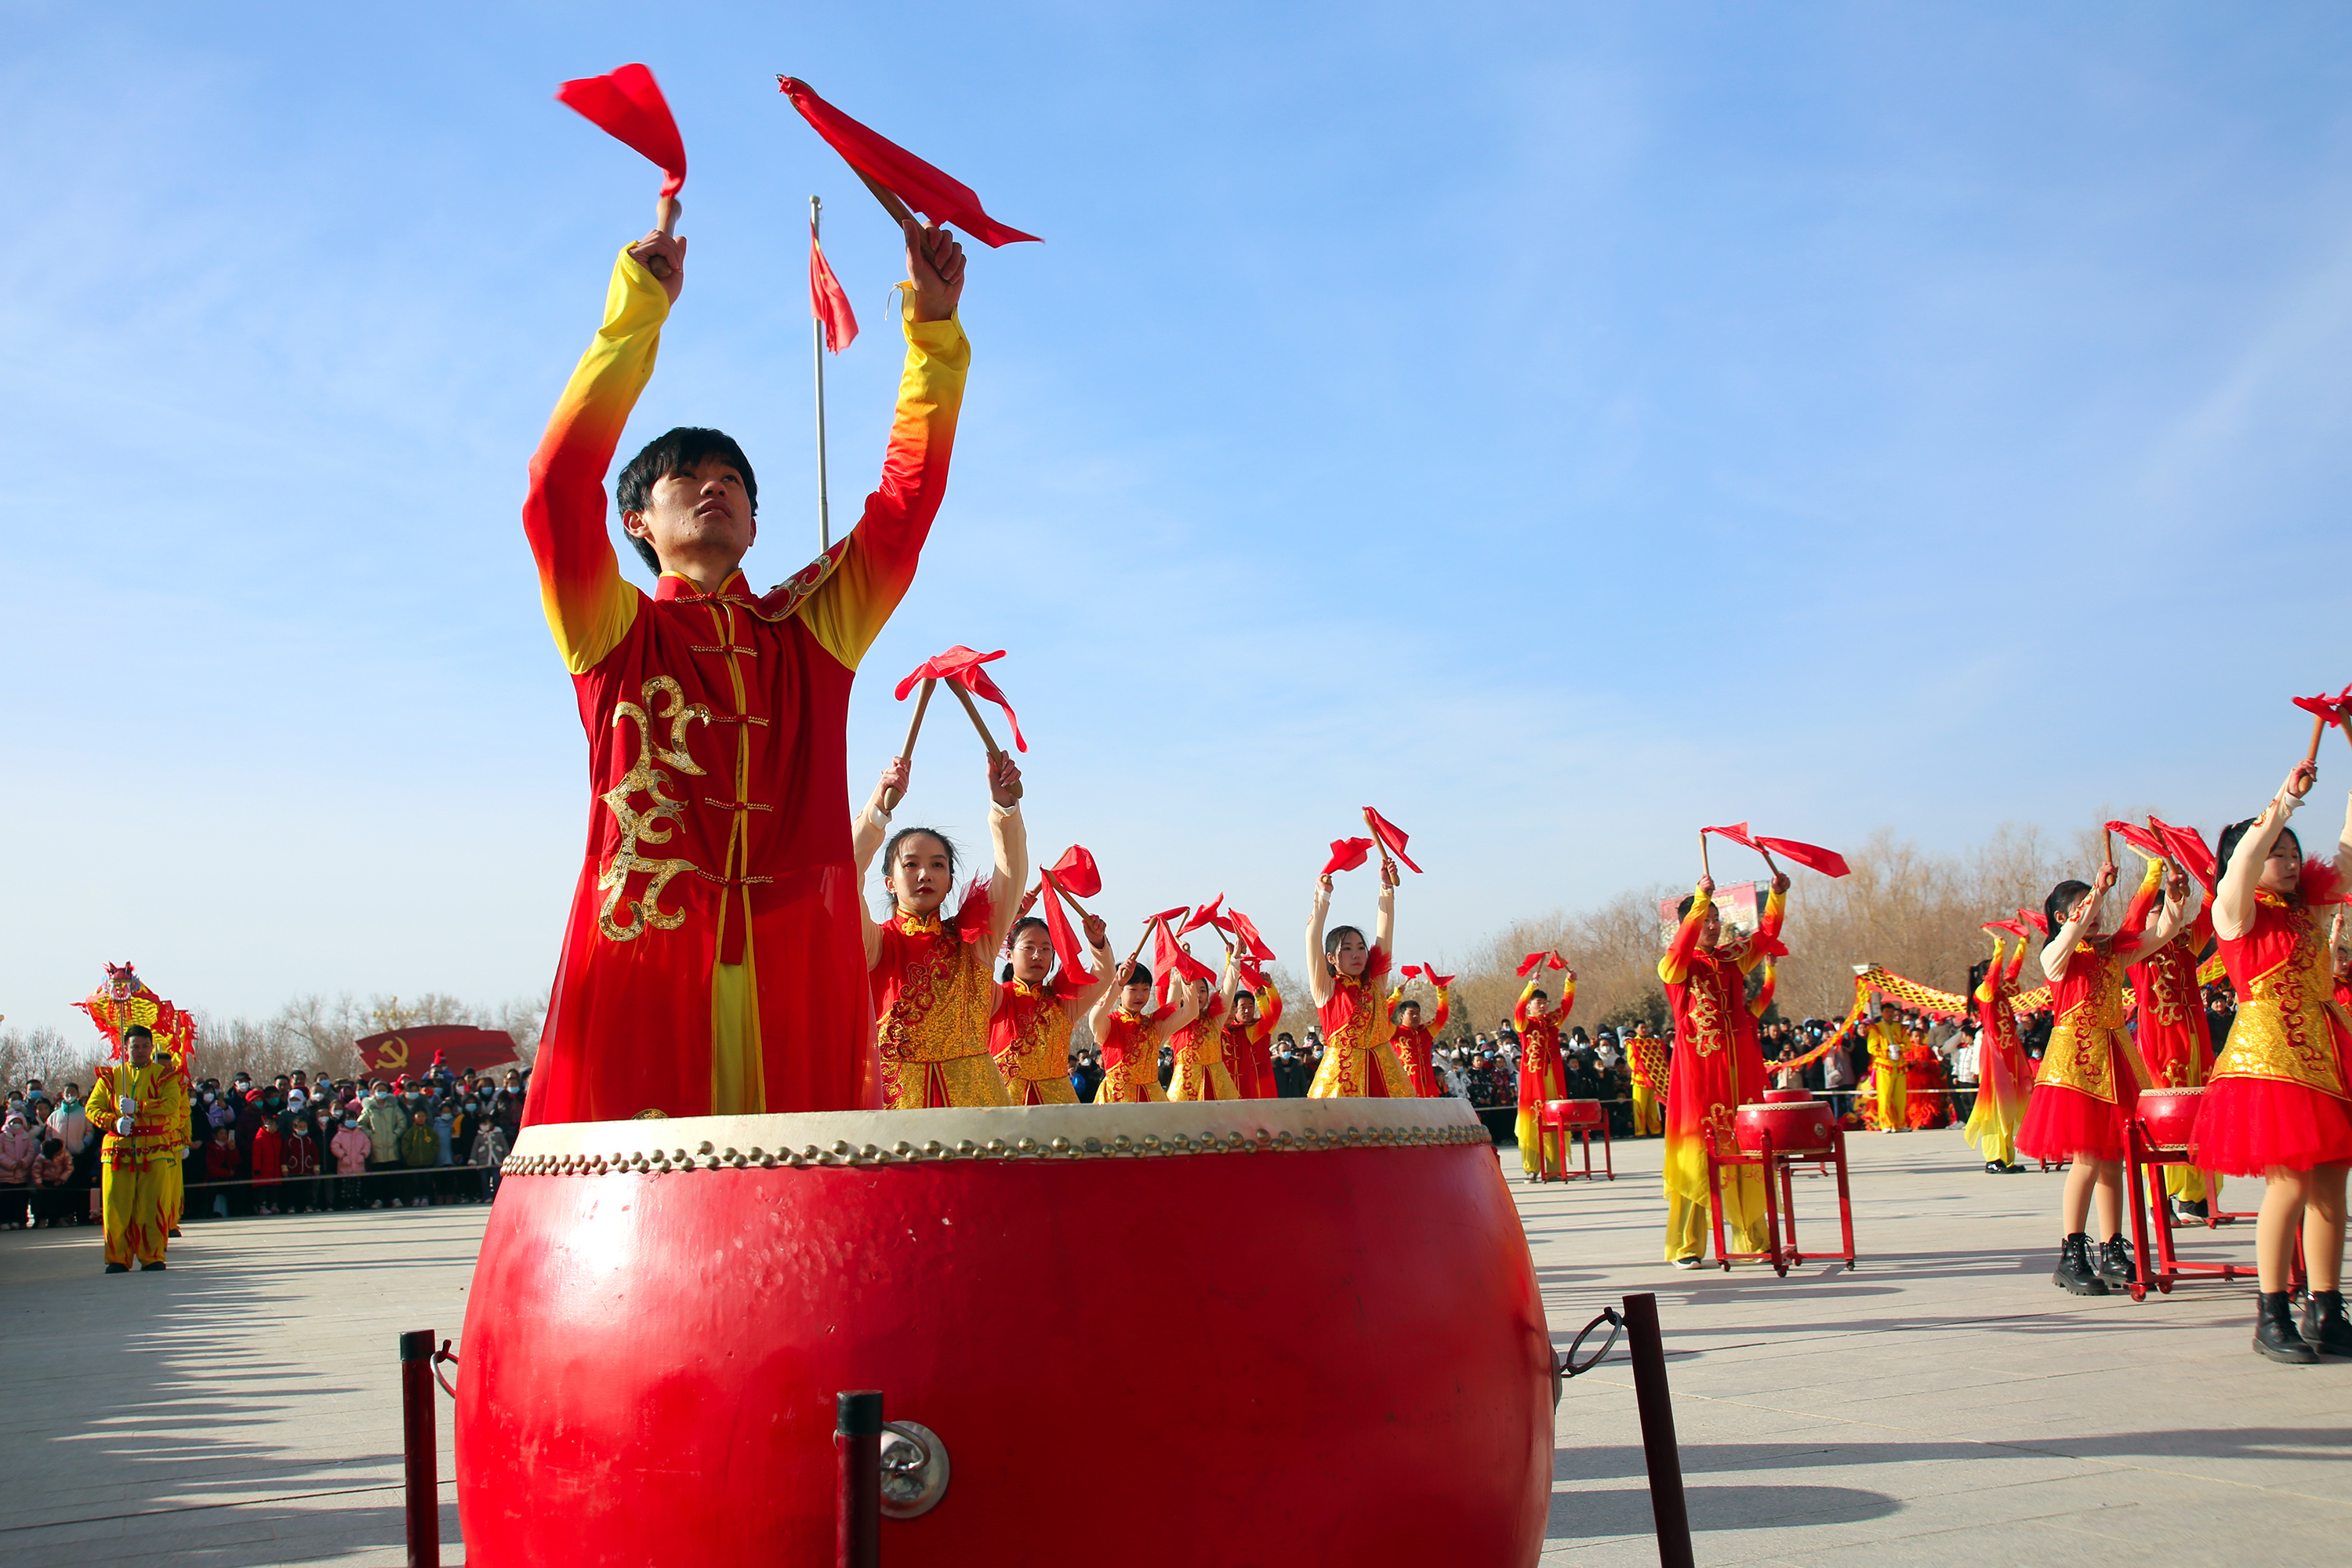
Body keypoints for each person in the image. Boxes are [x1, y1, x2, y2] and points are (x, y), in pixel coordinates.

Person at [522, 200, 974, 1127]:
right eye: (686, 476)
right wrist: (635, 309)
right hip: (643, 958)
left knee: (799, 1213)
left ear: (758, 524)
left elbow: (903, 508)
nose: (714, 485)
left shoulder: (809, 631)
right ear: (637, 523)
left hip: (794, 970)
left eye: (732, 479)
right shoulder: (610, 633)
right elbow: (557, 487)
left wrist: (931, 334)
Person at [2189, 760, 2352, 1361]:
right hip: (2272, 1064)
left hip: (2328, 1054)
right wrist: (2283, 802)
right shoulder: (2235, 913)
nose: (2287, 860)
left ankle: (2328, 1310)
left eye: (2293, 852)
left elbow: (2348, 856)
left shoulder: (2306, 914)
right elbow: (2242, 864)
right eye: (2275, 852)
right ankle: (2272, 1311)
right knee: (2289, 1185)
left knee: (2333, 1190)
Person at [2019, 854, 2199, 1295]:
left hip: (2116, 1061)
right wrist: (2098, 891)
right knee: (2086, 1159)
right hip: (2077, 1066)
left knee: (2116, 1160)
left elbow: (2163, 932)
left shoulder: (2113, 953)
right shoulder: (2056, 956)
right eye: (2086, 909)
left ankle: (2113, 1245)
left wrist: (2174, 899)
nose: (2097, 917)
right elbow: (2064, 945)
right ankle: (2072, 1250)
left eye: (2098, 908)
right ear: (2063, 916)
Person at [855, 753, 1027, 1107]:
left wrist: (1004, 807)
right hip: (893, 1103)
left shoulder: (976, 941)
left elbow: (1011, 874)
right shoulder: (877, 943)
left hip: (977, 1103)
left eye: (937, 865)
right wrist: (877, 810)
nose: (925, 874)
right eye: (911, 864)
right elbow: (846, 876)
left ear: (949, 882)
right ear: (890, 882)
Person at [1657, 869, 1787, 1268]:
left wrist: (1778, 897)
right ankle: (1688, 1246)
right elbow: (1679, 952)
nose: (1713, 927)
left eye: (1716, 920)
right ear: (1687, 925)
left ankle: (1752, 1238)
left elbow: (1764, 938)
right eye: (1705, 920)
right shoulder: (1675, 967)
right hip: (1697, 1074)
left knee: (1747, 1147)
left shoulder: (1732, 959)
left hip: (1738, 1071)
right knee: (1697, 1153)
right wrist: (1699, 898)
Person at [2119, 851, 2223, 1220]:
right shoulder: (2138, 952)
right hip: (2158, 1041)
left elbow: (2210, 916)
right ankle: (2157, 1199)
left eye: (2167, 908)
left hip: (2195, 1037)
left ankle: (2194, 1198)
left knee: (2199, 1113)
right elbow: (2133, 919)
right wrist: (2152, 875)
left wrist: (2213, 877)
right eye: (2155, 911)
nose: (2163, 916)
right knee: (2164, 1117)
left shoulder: (2186, 945)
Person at [83, 1028, 186, 1271]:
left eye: (144, 1046)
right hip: (118, 1150)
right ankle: (117, 1258)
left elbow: (172, 1105)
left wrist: (138, 1107)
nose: (139, 1051)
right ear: (125, 1049)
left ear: (152, 1047)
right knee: (116, 1206)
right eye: (134, 1046)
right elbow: (92, 1108)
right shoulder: (111, 1077)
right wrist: (114, 1121)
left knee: (152, 1205)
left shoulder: (166, 1077)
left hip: (154, 1149)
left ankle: (153, 1256)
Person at [989, 906, 1115, 1105]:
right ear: (1009, 955)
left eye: (1046, 949)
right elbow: (976, 963)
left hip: (1058, 1108)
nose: (1037, 955)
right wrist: (1011, 917)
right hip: (1004, 1105)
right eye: (1029, 947)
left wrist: (1097, 942)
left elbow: (1103, 976)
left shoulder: (1062, 1003)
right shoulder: (995, 997)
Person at [1305, 866, 1409, 1097]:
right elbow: (1312, 937)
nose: (1357, 954)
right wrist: (1323, 896)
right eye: (1348, 949)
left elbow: (1385, 932)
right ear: (1330, 958)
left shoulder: (1376, 982)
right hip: (1340, 1083)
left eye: (1361, 948)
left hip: (1385, 1074)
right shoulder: (1327, 988)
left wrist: (1386, 887)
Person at [1965, 933, 2032, 1174]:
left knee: (2009, 1107)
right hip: (1995, 1055)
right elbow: (1995, 977)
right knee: (1996, 1108)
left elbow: (2012, 973)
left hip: (2010, 1055)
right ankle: (1994, 1157)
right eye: (1997, 974)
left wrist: (2022, 945)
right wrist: (1998, 951)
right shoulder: (1984, 993)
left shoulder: (2001, 993)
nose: (2003, 978)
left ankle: (2007, 1158)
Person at [1091, 963, 1198, 1104]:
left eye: (1145, 989)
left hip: (1152, 1100)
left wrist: (1185, 975)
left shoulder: (1153, 1024)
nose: (1140, 995)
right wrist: (1117, 984)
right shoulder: (1110, 1025)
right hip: (1116, 1101)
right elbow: (1095, 1018)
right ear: (1120, 992)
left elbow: (1190, 1012)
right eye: (1133, 989)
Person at [1512, 958, 1574, 1178]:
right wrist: (1531, 986)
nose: (1543, 1006)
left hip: (1553, 1075)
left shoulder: (1552, 1022)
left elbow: (1566, 1005)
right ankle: (1532, 1168)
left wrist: (1570, 983)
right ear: (1530, 1006)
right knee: (1532, 1118)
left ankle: (1555, 1167)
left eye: (1545, 1003)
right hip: (1533, 1077)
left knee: (1555, 1116)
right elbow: (1518, 1008)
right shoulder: (1524, 1024)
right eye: (1538, 1003)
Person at [1169, 950, 1247, 1102]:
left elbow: (1228, 992)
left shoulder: (1214, 1020)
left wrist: (1235, 959)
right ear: (1182, 995)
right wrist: (1181, 966)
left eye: (1203, 991)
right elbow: (1172, 1000)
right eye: (1193, 990)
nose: (1198, 995)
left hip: (1217, 1088)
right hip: (1186, 1090)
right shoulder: (1175, 1021)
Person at [1385, 978, 1452, 1098]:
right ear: (1401, 1016)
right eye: (1411, 1013)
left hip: (1429, 1083)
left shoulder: (1426, 1032)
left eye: (1418, 1013)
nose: (1416, 1016)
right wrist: (1396, 996)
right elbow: (1382, 1015)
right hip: (1405, 1083)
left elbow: (1442, 1016)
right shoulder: (1395, 1032)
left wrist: (1442, 993)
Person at [1222, 974, 1283, 1099]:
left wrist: (1269, 989)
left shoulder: (1262, 1027)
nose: (1247, 1011)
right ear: (1234, 1010)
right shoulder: (1228, 1030)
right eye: (1243, 1008)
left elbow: (1275, 1009)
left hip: (1263, 1080)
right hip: (1235, 1081)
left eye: (1251, 1007)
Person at [1862, 1004, 1908, 1131]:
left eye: (1892, 1012)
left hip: (1900, 1066)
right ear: (1882, 1012)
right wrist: (1886, 1053)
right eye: (1888, 1012)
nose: (1890, 1014)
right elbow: (1871, 1048)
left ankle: (1900, 1124)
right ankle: (1886, 1124)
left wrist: (1900, 1048)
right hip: (1884, 1066)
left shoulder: (1901, 1027)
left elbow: (1908, 1044)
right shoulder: (1876, 1028)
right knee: (1885, 1096)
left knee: (1900, 1097)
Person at [330, 1112, 371, 1211]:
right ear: (344, 1121)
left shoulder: (361, 1134)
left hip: (358, 1167)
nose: (350, 1121)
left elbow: (367, 1145)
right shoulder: (340, 1134)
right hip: (345, 1167)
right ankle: (345, 1204)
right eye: (348, 1119)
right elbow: (334, 1146)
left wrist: (363, 1155)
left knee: (357, 1188)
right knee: (345, 1188)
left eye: (352, 1118)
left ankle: (357, 1203)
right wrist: (342, 1155)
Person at [398, 1110, 440, 1207]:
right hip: (413, 1163)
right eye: (418, 1116)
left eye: (423, 1116)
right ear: (414, 1117)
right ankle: (416, 1198)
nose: (421, 1119)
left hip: (427, 1162)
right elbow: (405, 1146)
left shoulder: (430, 1131)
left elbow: (436, 1144)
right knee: (415, 1181)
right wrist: (409, 1156)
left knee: (427, 1180)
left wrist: (431, 1154)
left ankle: (426, 1198)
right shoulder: (410, 1132)